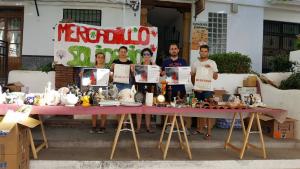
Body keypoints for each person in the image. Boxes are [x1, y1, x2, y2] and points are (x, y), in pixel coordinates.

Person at [191, 44, 218, 139]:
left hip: (208, 90)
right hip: (198, 89)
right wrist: (195, 86)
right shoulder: (195, 63)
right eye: (202, 51)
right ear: (199, 52)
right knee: (199, 109)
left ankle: (209, 132)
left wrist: (211, 69)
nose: (203, 53)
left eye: (205, 51)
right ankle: (199, 129)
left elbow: (215, 77)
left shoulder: (212, 63)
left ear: (208, 52)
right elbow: (193, 75)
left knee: (208, 110)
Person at [79, 52, 110, 134]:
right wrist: (82, 74)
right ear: (96, 58)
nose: (100, 59)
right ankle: (93, 126)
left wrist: (111, 75)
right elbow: (84, 78)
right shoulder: (91, 69)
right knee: (94, 109)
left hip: (104, 91)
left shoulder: (107, 69)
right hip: (93, 91)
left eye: (102, 57)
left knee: (104, 109)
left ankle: (102, 127)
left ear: (104, 59)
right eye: (99, 57)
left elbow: (111, 80)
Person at [161, 43, 188, 133]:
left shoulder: (183, 61)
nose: (174, 50)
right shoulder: (165, 61)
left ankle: (183, 128)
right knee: (170, 107)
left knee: (182, 107)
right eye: (172, 49)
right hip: (169, 88)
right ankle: (170, 126)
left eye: (175, 48)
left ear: (178, 50)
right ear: (169, 51)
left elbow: (186, 73)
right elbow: (161, 73)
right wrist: (163, 73)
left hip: (181, 87)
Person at [135, 48, 156, 133]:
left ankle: (148, 127)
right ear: (142, 56)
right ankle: (138, 128)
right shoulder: (138, 66)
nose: (146, 56)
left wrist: (156, 68)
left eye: (148, 54)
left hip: (150, 89)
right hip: (140, 89)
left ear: (151, 56)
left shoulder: (154, 67)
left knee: (148, 109)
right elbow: (135, 79)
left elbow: (156, 79)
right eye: (144, 54)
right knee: (138, 109)